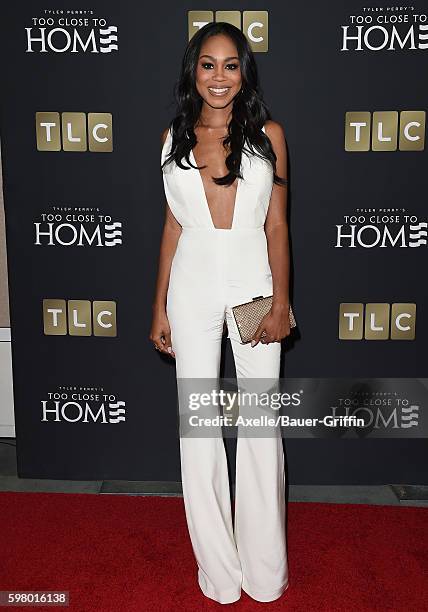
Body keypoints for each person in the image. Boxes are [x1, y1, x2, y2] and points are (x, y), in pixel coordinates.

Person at [150, 21, 291, 604]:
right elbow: (173, 225)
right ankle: (218, 571)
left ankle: (264, 572)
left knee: (259, 426)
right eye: (208, 65)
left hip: (254, 283)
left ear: (244, 73)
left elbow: (278, 224)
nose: (219, 77)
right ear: (193, 71)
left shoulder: (269, 135)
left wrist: (282, 300)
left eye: (230, 65)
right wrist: (158, 304)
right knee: (200, 432)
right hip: (192, 288)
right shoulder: (172, 138)